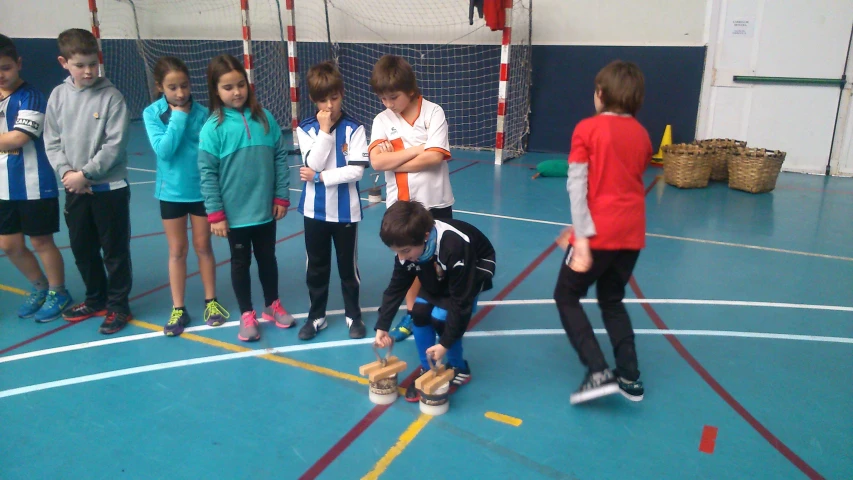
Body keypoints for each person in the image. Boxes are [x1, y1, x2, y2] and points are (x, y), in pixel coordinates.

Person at [555, 60, 652, 404]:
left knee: (566, 296)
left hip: (599, 234)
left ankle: (598, 371)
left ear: (600, 93)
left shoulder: (588, 129)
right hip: (632, 234)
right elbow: (618, 184)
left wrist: (582, 236)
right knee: (611, 299)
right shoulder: (642, 134)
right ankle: (630, 376)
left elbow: (577, 184)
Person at [197, 54, 293, 342]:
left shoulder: (265, 119)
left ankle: (272, 305)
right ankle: (247, 313)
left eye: (241, 85)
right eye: (228, 87)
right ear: (216, 90)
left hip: (264, 210)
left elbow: (279, 157)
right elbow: (207, 173)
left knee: (268, 259)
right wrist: (215, 214)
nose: (237, 92)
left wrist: (280, 196)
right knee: (240, 263)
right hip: (235, 215)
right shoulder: (212, 128)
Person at [44, 28, 132, 334]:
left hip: (109, 190)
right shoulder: (58, 96)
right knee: (83, 248)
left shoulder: (112, 97)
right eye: (80, 65)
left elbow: (114, 145)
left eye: (92, 63)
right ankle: (96, 298)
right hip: (75, 189)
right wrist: (67, 174)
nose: (88, 70)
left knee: (115, 251)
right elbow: (52, 140)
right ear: (63, 62)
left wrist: (86, 174)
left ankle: (119, 306)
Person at [368, 54, 454, 344]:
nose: (389, 104)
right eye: (383, 98)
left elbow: (434, 158)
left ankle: (444, 308)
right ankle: (412, 311)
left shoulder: (433, 112)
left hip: (436, 202)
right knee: (407, 261)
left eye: (394, 97)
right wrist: (416, 150)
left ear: (411, 89)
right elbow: (377, 163)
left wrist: (395, 159)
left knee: (439, 262)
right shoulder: (382, 120)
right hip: (401, 206)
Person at [373, 200, 495, 402]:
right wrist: (382, 326)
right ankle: (428, 367)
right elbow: (396, 288)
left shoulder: (454, 246)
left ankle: (459, 368)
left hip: (474, 266)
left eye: (404, 251)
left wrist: (444, 344)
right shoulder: (410, 249)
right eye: (396, 252)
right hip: (439, 266)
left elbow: (460, 303)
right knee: (419, 313)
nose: (401, 257)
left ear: (426, 237)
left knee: (442, 318)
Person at [142, 56, 228, 336]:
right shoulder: (152, 114)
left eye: (184, 86)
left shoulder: (204, 114)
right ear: (160, 87)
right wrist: (178, 116)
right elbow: (164, 150)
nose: (180, 93)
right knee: (177, 251)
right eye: (172, 87)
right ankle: (178, 308)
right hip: (171, 193)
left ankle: (211, 302)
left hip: (201, 191)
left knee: (204, 247)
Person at [0, 34, 72, 323]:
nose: (1, 75)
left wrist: (9, 141)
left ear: (18, 64)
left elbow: (20, 137)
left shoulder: (31, 96)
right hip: (3, 185)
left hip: (34, 183)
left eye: (5, 67)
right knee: (9, 245)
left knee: (42, 242)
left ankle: (58, 291)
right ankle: (40, 287)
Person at [295, 61, 368, 340]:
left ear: (342, 94)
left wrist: (319, 177)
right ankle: (317, 317)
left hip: (346, 213)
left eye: (334, 98)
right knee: (316, 266)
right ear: (314, 100)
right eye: (323, 99)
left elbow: (355, 171)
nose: (329, 105)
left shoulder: (355, 129)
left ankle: (353, 316)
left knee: (348, 267)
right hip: (314, 211)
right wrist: (325, 132)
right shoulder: (306, 129)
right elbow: (311, 161)